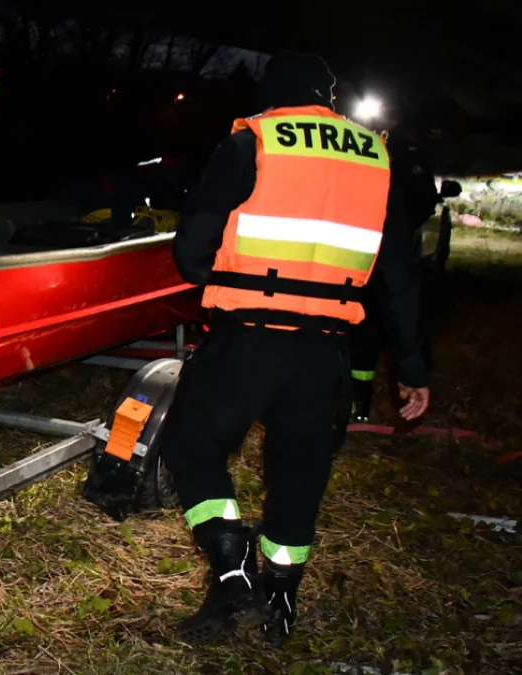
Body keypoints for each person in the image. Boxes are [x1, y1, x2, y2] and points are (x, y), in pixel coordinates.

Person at [159, 51, 431, 648]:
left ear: (271, 94)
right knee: (299, 476)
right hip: (324, 351)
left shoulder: (252, 142)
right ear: (328, 99)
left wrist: (225, 275)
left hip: (247, 338)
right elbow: (400, 277)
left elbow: (192, 251)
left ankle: (233, 575)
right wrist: (412, 367)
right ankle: (281, 602)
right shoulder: (375, 157)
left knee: (191, 446)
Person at [349, 114, 440, 421]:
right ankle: (356, 403)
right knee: (368, 328)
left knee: (365, 331)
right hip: (377, 257)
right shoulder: (376, 156)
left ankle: (357, 403)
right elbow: (400, 287)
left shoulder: (399, 156)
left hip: (368, 260)